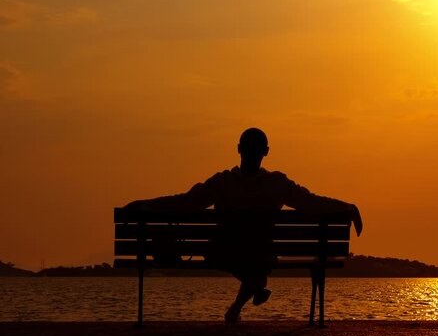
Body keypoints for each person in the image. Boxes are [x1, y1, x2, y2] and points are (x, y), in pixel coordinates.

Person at [124, 127, 363, 323]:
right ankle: (240, 305)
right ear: (266, 152)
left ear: (238, 149)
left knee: (243, 258)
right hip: (260, 254)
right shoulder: (277, 184)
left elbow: (185, 203)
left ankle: (239, 306)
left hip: (222, 253)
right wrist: (347, 207)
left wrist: (144, 205)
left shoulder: (222, 182)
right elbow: (311, 203)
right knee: (259, 262)